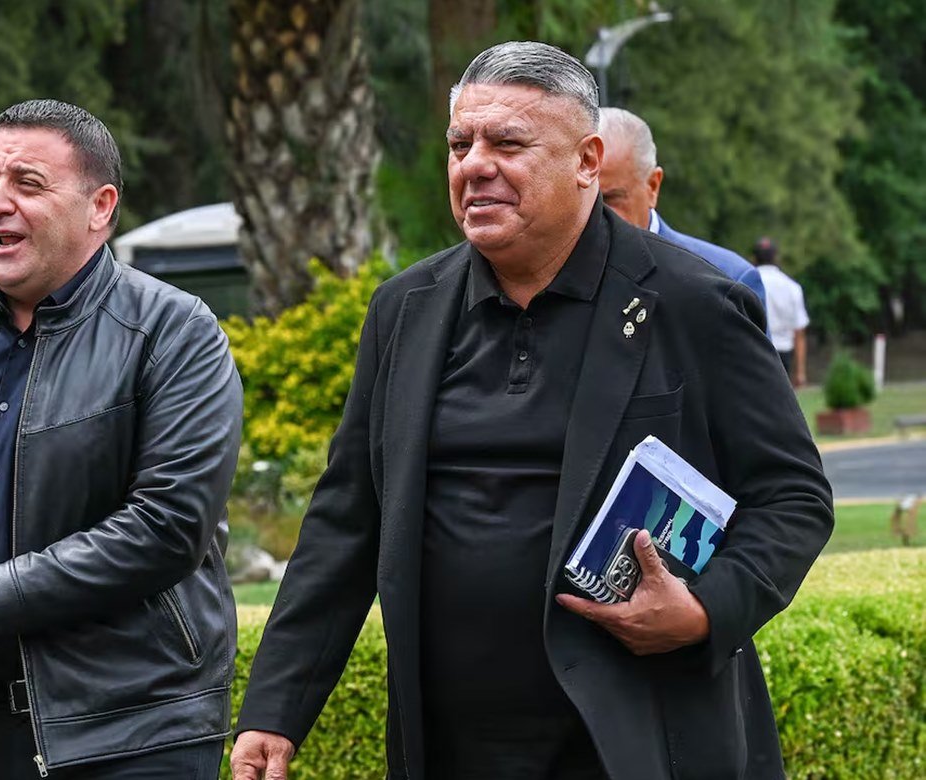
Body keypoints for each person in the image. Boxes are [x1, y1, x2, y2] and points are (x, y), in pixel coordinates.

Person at [232, 42, 832, 780]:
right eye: (460, 144)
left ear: (587, 161)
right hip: (452, 745)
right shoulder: (405, 310)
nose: (475, 165)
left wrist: (707, 610)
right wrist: (275, 710)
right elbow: (346, 520)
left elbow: (793, 497)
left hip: (636, 739)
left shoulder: (693, 303)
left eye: (508, 144)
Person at [0, 99, 243, 779]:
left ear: (100, 207)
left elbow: (167, 527)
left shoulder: (175, 333)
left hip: (135, 735)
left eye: (28, 184)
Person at [596, 107, 768, 309]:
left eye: (611, 199)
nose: (594, 214)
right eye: (583, 200)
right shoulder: (564, 272)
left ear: (652, 186)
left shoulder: (727, 281)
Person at [752, 236, 810, 387]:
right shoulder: (791, 287)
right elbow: (799, 332)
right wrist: (800, 372)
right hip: (783, 354)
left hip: (754, 350)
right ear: (776, 257)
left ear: (754, 258)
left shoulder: (745, 283)